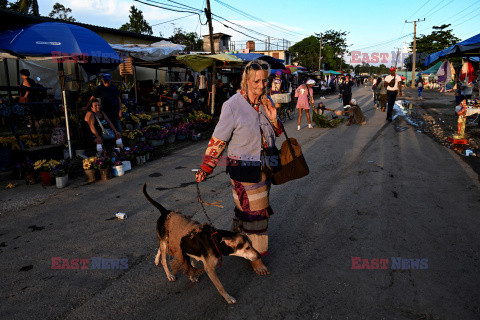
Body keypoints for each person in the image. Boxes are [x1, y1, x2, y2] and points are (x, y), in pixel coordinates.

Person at [195, 59, 283, 276]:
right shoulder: (232, 105)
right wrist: (206, 167)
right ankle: (256, 257)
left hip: (265, 166)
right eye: (256, 81)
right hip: (243, 169)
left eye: (264, 80)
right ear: (245, 80)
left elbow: (276, 133)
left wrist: (273, 117)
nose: (261, 86)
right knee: (256, 214)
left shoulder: (265, 101)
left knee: (246, 210)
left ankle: (235, 241)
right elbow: (218, 139)